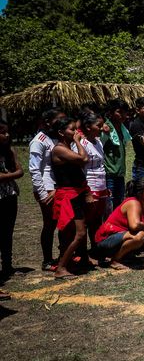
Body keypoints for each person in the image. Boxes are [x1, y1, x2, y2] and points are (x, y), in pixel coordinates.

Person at [51, 117, 90, 279]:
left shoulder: (67, 147)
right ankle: (61, 267)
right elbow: (84, 159)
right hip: (68, 196)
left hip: (76, 193)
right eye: (71, 130)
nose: (75, 132)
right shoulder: (59, 149)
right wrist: (78, 142)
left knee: (71, 233)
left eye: (75, 129)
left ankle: (68, 262)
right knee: (79, 233)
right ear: (61, 133)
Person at [30, 108, 65, 271]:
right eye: (59, 119)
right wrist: (43, 193)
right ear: (48, 122)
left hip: (56, 187)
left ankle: (61, 255)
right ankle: (47, 260)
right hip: (47, 188)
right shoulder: (39, 140)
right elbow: (34, 169)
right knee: (49, 224)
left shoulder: (53, 139)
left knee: (59, 222)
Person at [80, 113, 109, 258]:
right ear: (87, 127)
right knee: (86, 220)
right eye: (98, 125)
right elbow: (80, 169)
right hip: (90, 185)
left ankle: (96, 249)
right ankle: (82, 254)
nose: (102, 128)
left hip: (101, 184)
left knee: (98, 219)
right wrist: (87, 191)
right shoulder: (81, 145)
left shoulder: (98, 142)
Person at [0, 119, 23, 281]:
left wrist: (6, 176)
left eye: (8, 132)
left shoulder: (10, 151)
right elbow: (16, 172)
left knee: (8, 232)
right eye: (2, 132)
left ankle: (7, 265)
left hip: (10, 194)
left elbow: (20, 171)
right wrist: (12, 175)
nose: (6, 135)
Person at [100, 99, 131, 213]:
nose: (123, 115)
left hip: (120, 173)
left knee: (119, 205)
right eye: (119, 112)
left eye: (125, 112)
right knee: (108, 206)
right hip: (109, 173)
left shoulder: (123, 129)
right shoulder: (106, 128)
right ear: (111, 113)